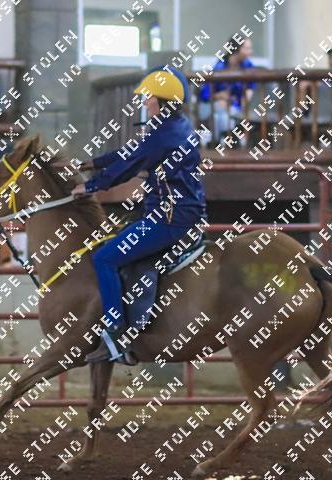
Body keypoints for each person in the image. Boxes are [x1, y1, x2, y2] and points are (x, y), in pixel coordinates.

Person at [71, 65, 207, 364]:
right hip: (181, 214)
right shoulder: (175, 127)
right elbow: (131, 153)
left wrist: (90, 186)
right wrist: (91, 163)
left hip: (168, 219)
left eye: (149, 97)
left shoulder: (163, 136)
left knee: (104, 258)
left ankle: (115, 334)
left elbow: (129, 165)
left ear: (161, 100)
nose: (145, 102)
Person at [198, 37, 256, 145]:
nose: (250, 52)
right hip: (215, 105)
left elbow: (250, 88)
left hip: (237, 106)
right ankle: (220, 142)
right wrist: (219, 96)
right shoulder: (220, 65)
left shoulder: (248, 66)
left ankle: (221, 142)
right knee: (219, 113)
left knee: (224, 114)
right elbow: (206, 93)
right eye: (247, 48)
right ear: (237, 49)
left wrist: (242, 101)